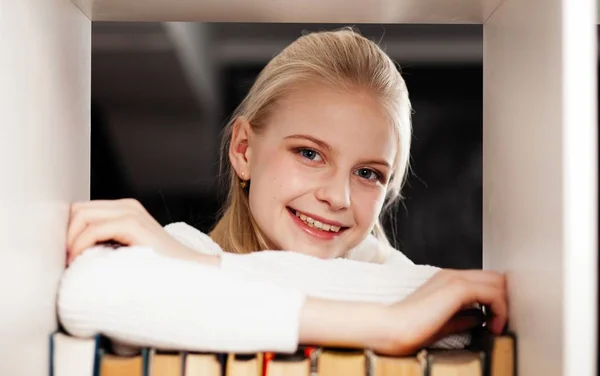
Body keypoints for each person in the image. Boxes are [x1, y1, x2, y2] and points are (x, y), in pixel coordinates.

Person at [57, 28, 507, 356]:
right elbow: (89, 292)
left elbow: (458, 313)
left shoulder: (387, 273)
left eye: (368, 173)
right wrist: (390, 324)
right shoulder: (183, 246)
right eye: (310, 154)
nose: (338, 197)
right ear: (244, 150)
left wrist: (197, 271)